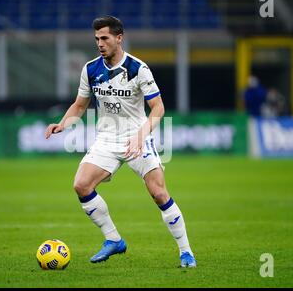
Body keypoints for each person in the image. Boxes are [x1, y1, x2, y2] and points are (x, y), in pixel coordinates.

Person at [45, 16, 196, 268]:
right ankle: (113, 239)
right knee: (81, 185)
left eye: (104, 38)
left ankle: (186, 252)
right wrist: (63, 123)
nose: (100, 44)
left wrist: (142, 134)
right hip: (106, 138)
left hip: (137, 136)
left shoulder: (138, 68)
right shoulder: (90, 69)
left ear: (118, 38)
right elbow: (80, 104)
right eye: (96, 39)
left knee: (158, 192)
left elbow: (157, 107)